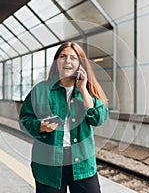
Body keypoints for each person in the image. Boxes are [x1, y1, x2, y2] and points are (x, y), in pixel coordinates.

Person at [19, 41, 108, 193]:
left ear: (80, 64)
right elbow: (24, 120)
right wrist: (39, 126)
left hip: (82, 163)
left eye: (73, 58)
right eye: (63, 57)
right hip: (49, 165)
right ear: (56, 62)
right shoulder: (41, 90)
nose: (67, 61)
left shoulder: (88, 91)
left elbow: (99, 119)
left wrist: (83, 90)